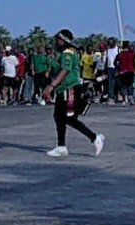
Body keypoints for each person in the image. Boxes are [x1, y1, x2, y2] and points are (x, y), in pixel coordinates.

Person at [42, 28, 105, 158]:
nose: (55, 42)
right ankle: (61, 146)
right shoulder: (59, 53)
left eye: (57, 40)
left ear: (62, 41)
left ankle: (94, 138)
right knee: (58, 117)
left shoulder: (68, 52)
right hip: (62, 89)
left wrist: (51, 86)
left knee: (69, 118)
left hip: (70, 88)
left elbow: (65, 70)